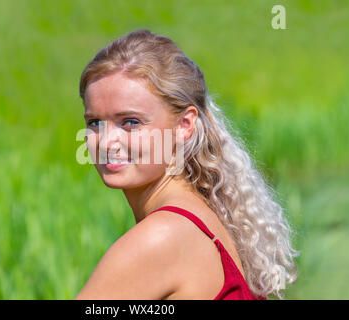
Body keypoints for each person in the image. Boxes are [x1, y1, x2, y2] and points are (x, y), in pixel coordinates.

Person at [75, 29, 298, 300]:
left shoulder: (162, 237)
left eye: (130, 122)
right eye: (94, 123)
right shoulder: (206, 213)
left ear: (184, 125)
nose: (107, 142)